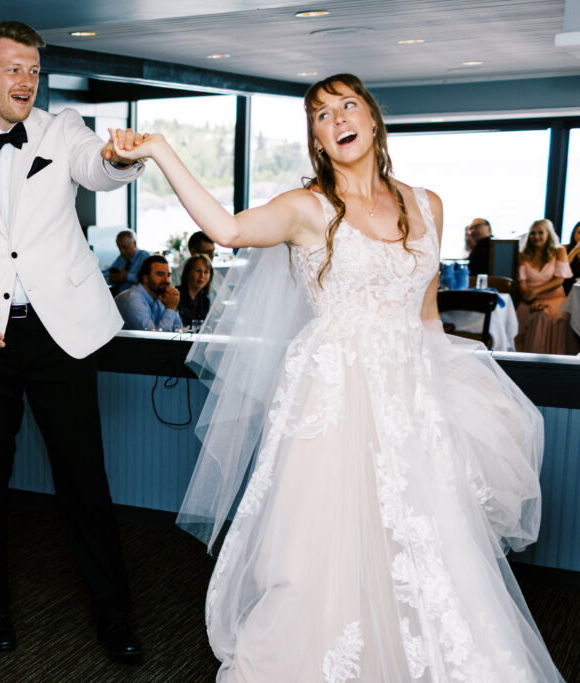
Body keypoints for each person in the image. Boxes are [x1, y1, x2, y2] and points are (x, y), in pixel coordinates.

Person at [110, 73, 562, 681]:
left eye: (348, 105)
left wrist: (457, 399)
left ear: (372, 119)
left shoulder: (427, 204)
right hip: (332, 397)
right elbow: (229, 231)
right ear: (318, 140)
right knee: (325, 549)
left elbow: (427, 318)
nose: (338, 118)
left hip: (409, 399)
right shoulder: (307, 208)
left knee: (425, 547)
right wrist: (162, 149)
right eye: (322, 114)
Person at [0, 21, 144, 660]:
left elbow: (98, 168)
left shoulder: (60, 129)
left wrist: (121, 156)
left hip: (59, 335)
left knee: (84, 482)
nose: (26, 80)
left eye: (34, 70)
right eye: (13, 68)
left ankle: (114, 619)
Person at [515, 219, 578, 355]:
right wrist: (531, 298)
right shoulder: (523, 255)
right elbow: (523, 284)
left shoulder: (559, 251)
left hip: (554, 297)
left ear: (548, 234)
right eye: (533, 233)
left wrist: (536, 291)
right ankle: (528, 360)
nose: (536, 236)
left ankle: (553, 358)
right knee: (535, 315)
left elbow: (559, 280)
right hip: (530, 299)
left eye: (540, 233)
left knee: (550, 316)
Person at [115, 254, 181, 331]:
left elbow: (178, 330)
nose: (166, 280)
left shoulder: (161, 297)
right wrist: (171, 308)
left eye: (168, 275)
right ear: (145, 278)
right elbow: (154, 339)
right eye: (160, 274)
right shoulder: (132, 299)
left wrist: (172, 307)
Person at [172, 231, 224, 300]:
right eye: (207, 252)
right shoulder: (177, 275)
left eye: (213, 251)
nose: (212, 255)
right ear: (193, 251)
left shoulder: (217, 275)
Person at [105, 229, 149, 296]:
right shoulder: (121, 258)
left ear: (134, 244)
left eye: (125, 247)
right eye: (119, 248)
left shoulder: (144, 257)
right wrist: (111, 277)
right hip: (118, 296)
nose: (122, 251)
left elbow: (148, 280)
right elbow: (106, 274)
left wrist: (127, 277)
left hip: (136, 297)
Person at [177, 254, 212, 328]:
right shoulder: (176, 295)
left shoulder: (205, 300)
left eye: (206, 272)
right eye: (198, 271)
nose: (202, 275)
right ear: (188, 273)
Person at [564, 220, 580, 296]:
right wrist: (574, 251)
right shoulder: (564, 248)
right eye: (579, 233)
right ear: (574, 234)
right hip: (566, 288)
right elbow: (561, 268)